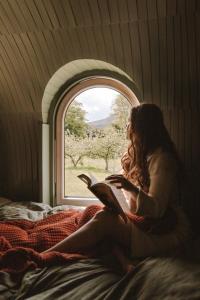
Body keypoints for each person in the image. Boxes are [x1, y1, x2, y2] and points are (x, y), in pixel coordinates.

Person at [44, 103, 190, 259]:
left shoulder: (163, 159)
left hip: (164, 229)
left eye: (130, 122)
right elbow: (126, 189)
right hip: (146, 220)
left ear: (142, 128)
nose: (127, 126)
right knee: (95, 210)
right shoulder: (140, 153)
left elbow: (157, 209)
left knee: (104, 219)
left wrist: (130, 188)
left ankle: (46, 255)